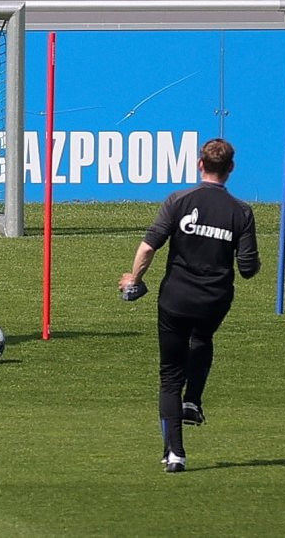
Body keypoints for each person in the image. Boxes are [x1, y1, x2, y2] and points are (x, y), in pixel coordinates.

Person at [118, 138, 260, 473]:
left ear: (200, 165)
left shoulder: (179, 201)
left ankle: (175, 454)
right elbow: (249, 269)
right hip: (215, 300)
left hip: (176, 298)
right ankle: (193, 400)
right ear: (231, 169)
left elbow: (149, 247)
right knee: (202, 338)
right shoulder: (241, 211)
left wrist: (134, 279)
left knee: (169, 376)